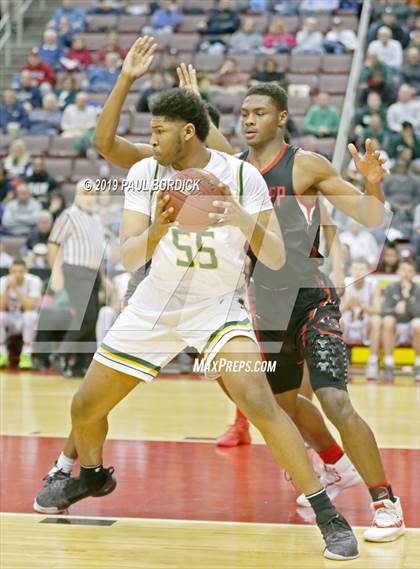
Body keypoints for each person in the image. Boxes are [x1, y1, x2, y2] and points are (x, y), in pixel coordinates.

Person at [33, 38, 358, 561]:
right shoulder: (145, 172)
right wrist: (160, 231)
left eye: (159, 130)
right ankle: (89, 475)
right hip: (154, 307)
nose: (151, 138)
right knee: (84, 407)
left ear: (186, 131)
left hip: (215, 310)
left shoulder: (239, 174)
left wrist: (240, 217)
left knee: (260, 404)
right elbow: (126, 253)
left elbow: (274, 256)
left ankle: (328, 514)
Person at [228, 83, 404, 542]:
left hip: (312, 298)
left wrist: (371, 183)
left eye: (259, 113)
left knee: (335, 399)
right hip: (266, 304)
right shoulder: (236, 170)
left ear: (281, 118)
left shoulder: (305, 165)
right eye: (243, 113)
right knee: (283, 406)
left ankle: (386, 502)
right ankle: (334, 466)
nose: (248, 120)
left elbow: (370, 217)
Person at [47, 179, 107, 378]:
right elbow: (53, 244)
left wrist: (104, 279)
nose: (89, 197)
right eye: (85, 193)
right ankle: (61, 353)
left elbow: (98, 252)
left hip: (93, 274)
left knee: (93, 319)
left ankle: (81, 365)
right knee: (87, 316)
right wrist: (56, 273)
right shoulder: (68, 215)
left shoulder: (96, 220)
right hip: (74, 271)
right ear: (77, 194)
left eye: (92, 194)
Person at [341, 258, 383, 379]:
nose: (358, 272)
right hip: (347, 326)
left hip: (365, 327)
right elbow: (334, 311)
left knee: (376, 320)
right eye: (355, 269)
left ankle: (373, 362)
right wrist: (348, 306)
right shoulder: (344, 284)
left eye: (362, 269)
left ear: (368, 271)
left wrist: (362, 306)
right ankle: (342, 362)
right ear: (350, 270)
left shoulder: (373, 285)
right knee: (337, 321)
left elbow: (378, 310)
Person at [382, 259, 420, 381]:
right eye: (403, 270)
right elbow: (384, 311)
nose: (406, 273)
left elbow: (418, 314)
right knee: (387, 321)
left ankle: (418, 365)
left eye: (410, 271)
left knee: (418, 324)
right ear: (398, 272)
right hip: (395, 326)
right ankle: (388, 364)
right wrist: (395, 310)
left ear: (414, 273)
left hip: (411, 326)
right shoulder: (391, 287)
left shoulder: (418, 289)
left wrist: (408, 297)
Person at [0, 258, 42, 369]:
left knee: (30, 315)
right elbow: (1, 307)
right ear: (10, 271)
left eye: (20, 271)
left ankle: (26, 354)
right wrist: (6, 288)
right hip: (10, 318)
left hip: (25, 318)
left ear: (26, 271)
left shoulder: (34, 281)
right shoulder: (3, 281)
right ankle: (2, 353)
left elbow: (30, 306)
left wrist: (15, 289)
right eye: (14, 271)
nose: (17, 274)